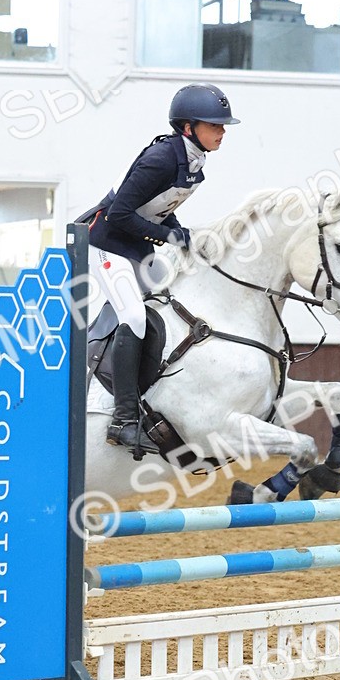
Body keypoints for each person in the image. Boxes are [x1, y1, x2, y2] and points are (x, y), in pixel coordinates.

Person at [78, 83, 240, 453]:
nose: (222, 131)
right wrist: (168, 238)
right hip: (105, 242)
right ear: (188, 127)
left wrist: (179, 230)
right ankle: (123, 419)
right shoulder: (161, 159)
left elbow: (157, 207)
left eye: (222, 125)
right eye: (214, 125)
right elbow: (118, 214)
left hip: (133, 243)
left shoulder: (193, 162)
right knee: (133, 316)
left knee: (169, 305)